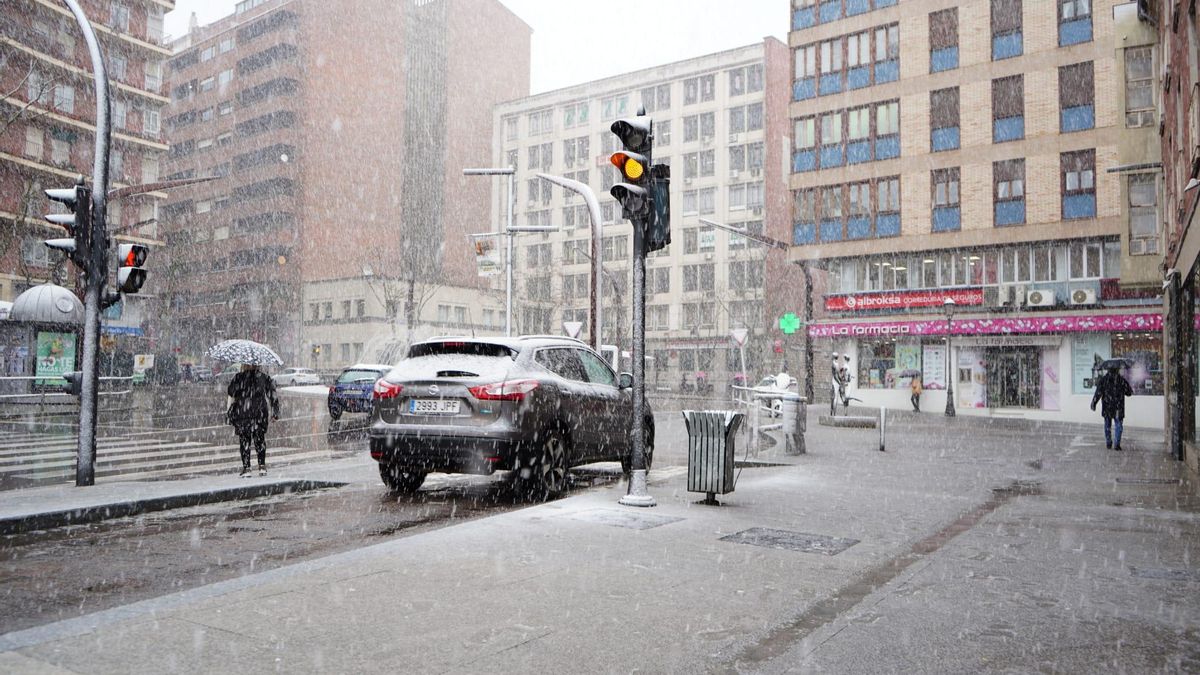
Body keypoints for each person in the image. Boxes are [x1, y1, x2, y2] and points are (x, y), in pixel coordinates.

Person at [227, 364, 280, 476]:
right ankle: (262, 466)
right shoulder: (264, 377)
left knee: (245, 441)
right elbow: (273, 395)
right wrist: (275, 412)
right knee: (260, 440)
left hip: (243, 412)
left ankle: (247, 468)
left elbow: (231, 392)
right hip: (259, 413)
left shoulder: (239, 377)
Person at [1090, 365, 1133, 451]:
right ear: (1117, 370)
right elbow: (1129, 392)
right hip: (1118, 406)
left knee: (1107, 425)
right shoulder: (1121, 380)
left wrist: (1094, 403)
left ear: (1108, 370)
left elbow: (1098, 393)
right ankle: (1117, 444)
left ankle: (1109, 442)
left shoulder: (1104, 380)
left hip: (1107, 406)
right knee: (1118, 425)